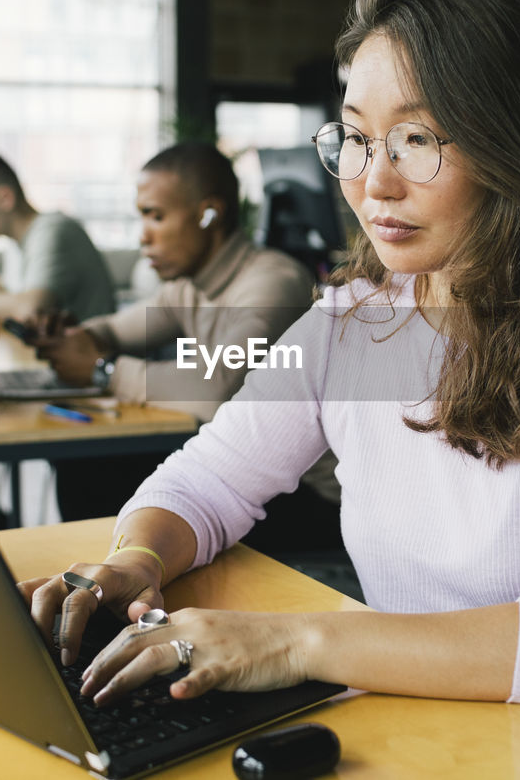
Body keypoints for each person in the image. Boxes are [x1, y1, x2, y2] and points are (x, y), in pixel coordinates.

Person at [20, 0, 520, 774]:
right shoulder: (349, 323)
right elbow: (205, 481)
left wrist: (302, 639)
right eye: (355, 137)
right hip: (428, 736)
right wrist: (136, 561)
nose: (372, 180)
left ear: (519, 148)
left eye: (417, 139)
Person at [33, 142, 332, 531]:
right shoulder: (187, 286)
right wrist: (75, 335)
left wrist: (100, 371)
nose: (143, 238)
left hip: (309, 492)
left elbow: (220, 387)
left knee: (98, 477)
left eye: (155, 217)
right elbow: (115, 329)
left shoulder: (274, 282)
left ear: (210, 214)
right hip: (249, 474)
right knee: (87, 468)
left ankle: (115, 585)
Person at [0, 150, 116, 325]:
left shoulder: (53, 230)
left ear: (5, 199)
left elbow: (29, 309)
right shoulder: (16, 243)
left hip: (92, 353)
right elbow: (8, 287)